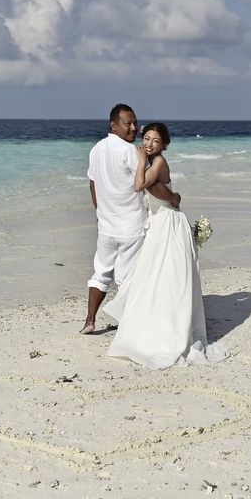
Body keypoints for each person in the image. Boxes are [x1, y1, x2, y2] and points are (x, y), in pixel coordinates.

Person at [102, 122, 229, 368]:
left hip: (170, 224)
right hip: (159, 224)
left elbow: (139, 186)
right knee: (154, 275)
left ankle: (170, 329)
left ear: (165, 145)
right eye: (147, 138)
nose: (149, 144)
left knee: (169, 276)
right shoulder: (151, 162)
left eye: (156, 141)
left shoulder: (157, 162)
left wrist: (141, 161)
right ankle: (155, 324)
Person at [80, 105, 180, 335]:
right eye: (128, 123)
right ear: (113, 125)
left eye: (135, 122)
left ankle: (90, 320)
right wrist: (173, 198)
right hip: (131, 225)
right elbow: (151, 185)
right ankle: (128, 324)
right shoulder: (131, 152)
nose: (134, 128)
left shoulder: (96, 149)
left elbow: (93, 183)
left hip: (106, 225)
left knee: (101, 272)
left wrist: (100, 212)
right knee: (127, 277)